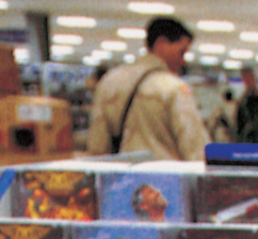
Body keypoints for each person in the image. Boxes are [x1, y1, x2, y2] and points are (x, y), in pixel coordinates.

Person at [87, 17, 209, 159]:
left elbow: (97, 146)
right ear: (161, 44)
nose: (183, 62)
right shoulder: (173, 87)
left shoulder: (109, 81)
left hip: (121, 171)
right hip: (163, 171)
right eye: (181, 52)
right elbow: (195, 148)